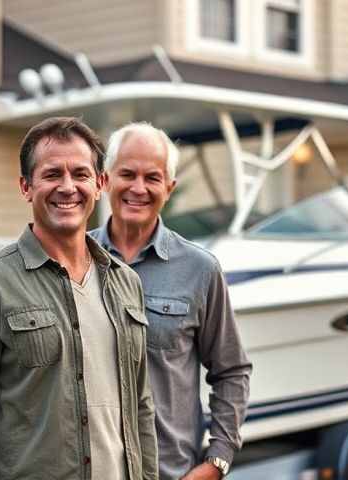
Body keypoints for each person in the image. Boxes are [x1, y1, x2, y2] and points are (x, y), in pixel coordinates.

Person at [0, 117, 158, 480]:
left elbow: (141, 406)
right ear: (26, 187)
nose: (68, 187)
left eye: (81, 174)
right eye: (53, 174)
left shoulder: (126, 283)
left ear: (100, 184)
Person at [91, 123, 252, 480]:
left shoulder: (200, 270)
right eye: (127, 174)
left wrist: (217, 461)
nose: (138, 188)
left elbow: (231, 371)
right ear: (105, 181)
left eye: (152, 177)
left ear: (169, 188)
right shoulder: (73, 260)